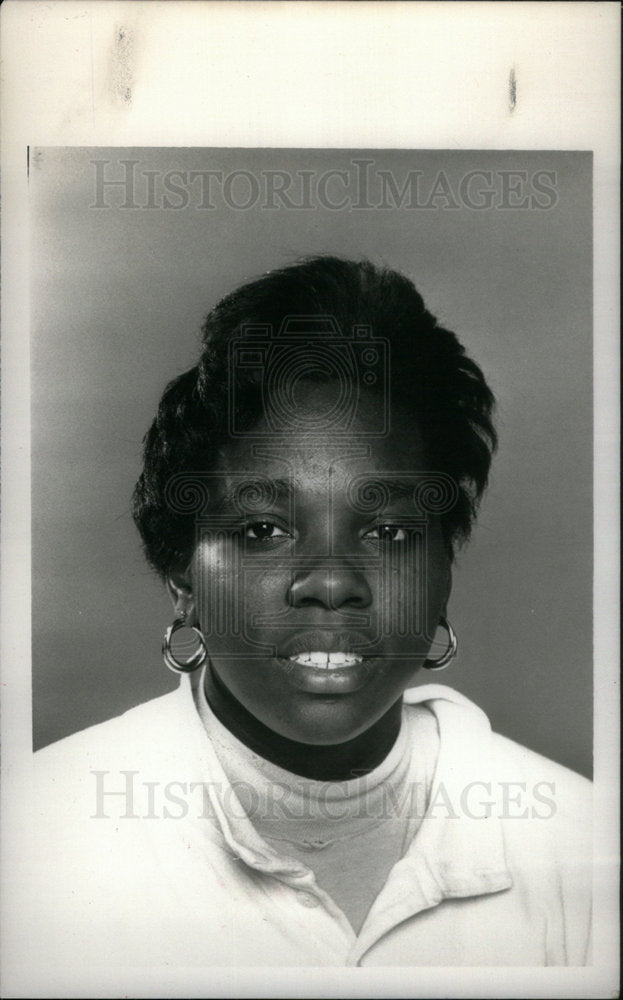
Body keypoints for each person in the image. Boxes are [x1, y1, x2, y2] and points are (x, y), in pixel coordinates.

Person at [29, 256, 591, 969]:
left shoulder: (578, 843)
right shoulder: (39, 835)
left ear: (443, 567)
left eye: (388, 532)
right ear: (182, 574)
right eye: (262, 530)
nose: (330, 583)